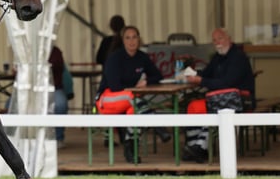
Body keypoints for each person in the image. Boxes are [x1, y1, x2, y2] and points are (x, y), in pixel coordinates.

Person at [95, 25, 169, 163]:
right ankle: (157, 124)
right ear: (122, 40)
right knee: (132, 97)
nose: (131, 41)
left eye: (134, 37)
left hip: (129, 100)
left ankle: (130, 150)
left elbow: (158, 75)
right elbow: (115, 87)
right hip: (106, 100)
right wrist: (134, 89)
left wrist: (146, 81)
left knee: (135, 111)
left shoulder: (142, 57)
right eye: (127, 38)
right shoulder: (114, 58)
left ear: (139, 39)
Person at [182, 28, 255, 163]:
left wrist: (201, 81)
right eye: (214, 40)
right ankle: (193, 146)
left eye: (220, 38)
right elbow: (206, 74)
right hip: (219, 99)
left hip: (240, 101)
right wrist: (193, 74)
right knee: (193, 106)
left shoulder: (238, 57)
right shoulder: (217, 57)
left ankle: (201, 147)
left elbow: (227, 83)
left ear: (229, 39)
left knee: (211, 110)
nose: (217, 43)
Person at [48, 45, 74, 148]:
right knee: (11, 104)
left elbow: (59, 67)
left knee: (60, 104)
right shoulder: (27, 50)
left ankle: (58, 137)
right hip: (32, 89)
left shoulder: (55, 51)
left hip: (55, 87)